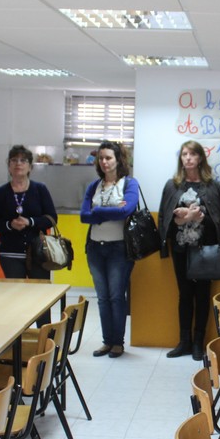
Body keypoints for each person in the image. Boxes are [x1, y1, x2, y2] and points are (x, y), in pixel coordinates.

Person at [159, 140, 220, 362]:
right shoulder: (172, 185)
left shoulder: (211, 186)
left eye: (192, 154)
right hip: (181, 249)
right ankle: (184, 342)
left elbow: (219, 220)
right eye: (184, 154)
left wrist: (198, 216)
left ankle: (198, 343)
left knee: (202, 295)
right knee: (184, 295)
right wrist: (182, 219)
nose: (188, 158)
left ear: (200, 158)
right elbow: (164, 219)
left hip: (205, 250)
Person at [81, 140, 138, 358]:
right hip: (95, 248)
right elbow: (84, 216)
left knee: (116, 296)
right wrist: (111, 210)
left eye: (108, 158)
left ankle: (117, 343)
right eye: (101, 158)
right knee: (103, 298)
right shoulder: (94, 186)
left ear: (118, 160)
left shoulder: (129, 184)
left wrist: (97, 212)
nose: (104, 162)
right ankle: (107, 341)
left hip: (119, 249)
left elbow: (126, 211)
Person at [0, 145, 58, 325]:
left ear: (30, 166)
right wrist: (9, 225)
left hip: (38, 253)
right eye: (14, 160)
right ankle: (17, 338)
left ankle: (45, 337)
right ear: (9, 166)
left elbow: (52, 218)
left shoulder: (39, 189)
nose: (18, 164)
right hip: (10, 253)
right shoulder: (1, 192)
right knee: (15, 300)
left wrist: (30, 222)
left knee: (41, 299)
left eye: (23, 160)